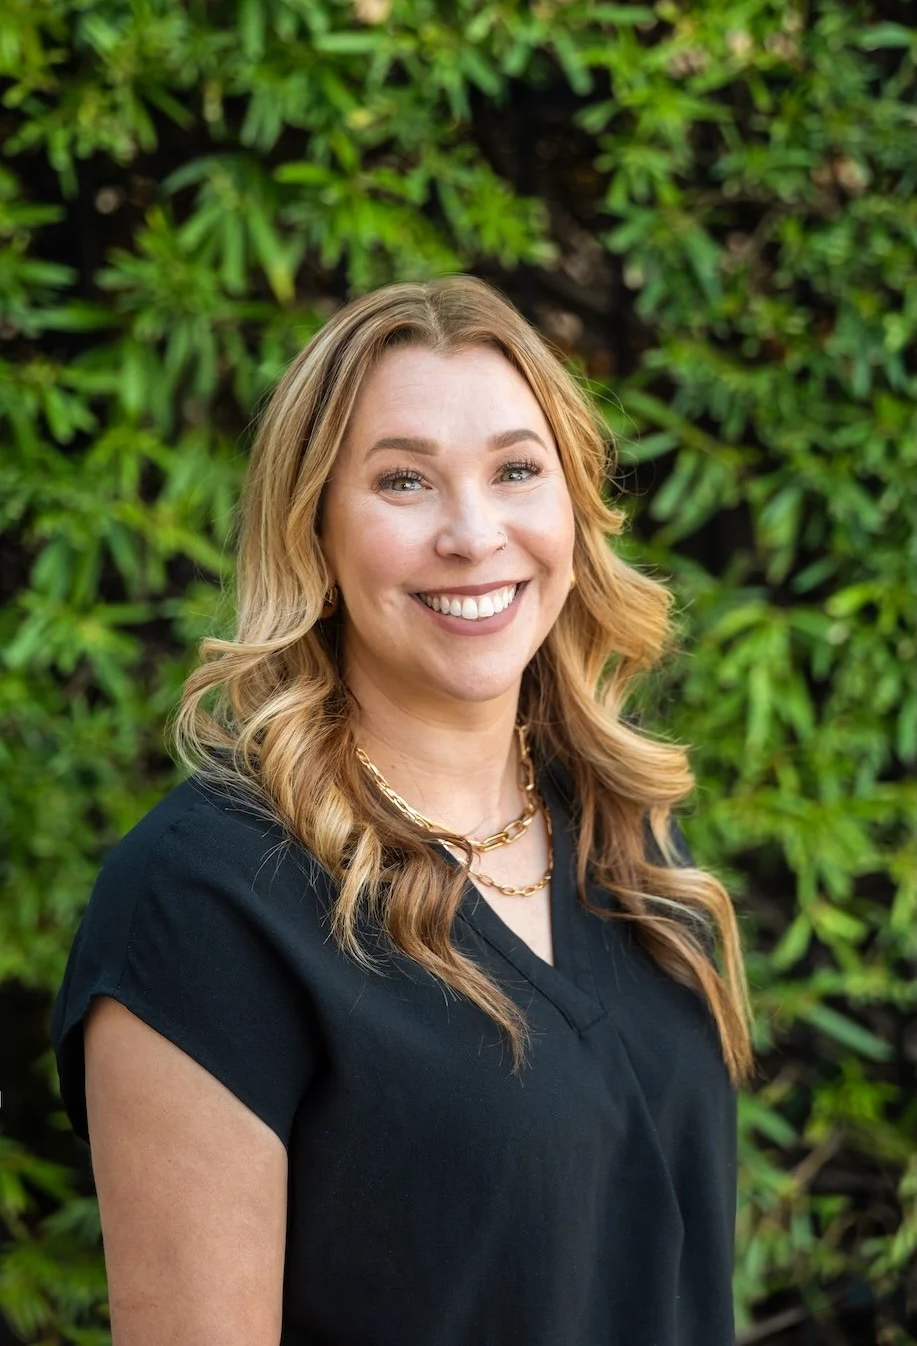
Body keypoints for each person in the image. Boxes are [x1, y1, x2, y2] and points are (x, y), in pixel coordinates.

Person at [51, 274, 753, 1346]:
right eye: (404, 482)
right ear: (314, 531)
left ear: (571, 506)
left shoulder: (628, 844)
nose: (473, 534)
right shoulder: (204, 901)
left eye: (516, 469)